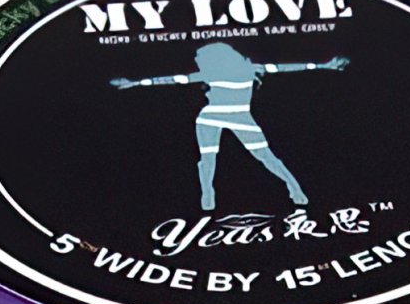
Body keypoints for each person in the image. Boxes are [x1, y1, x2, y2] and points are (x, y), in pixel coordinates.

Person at [111, 42, 350, 211]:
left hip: (223, 117)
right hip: (223, 117)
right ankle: (289, 189)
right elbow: (288, 67)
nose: (199, 62)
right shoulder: (246, 69)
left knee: (229, 158)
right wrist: (323, 66)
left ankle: (214, 194)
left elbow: (173, 80)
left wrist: (136, 83)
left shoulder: (219, 72)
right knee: (259, 158)